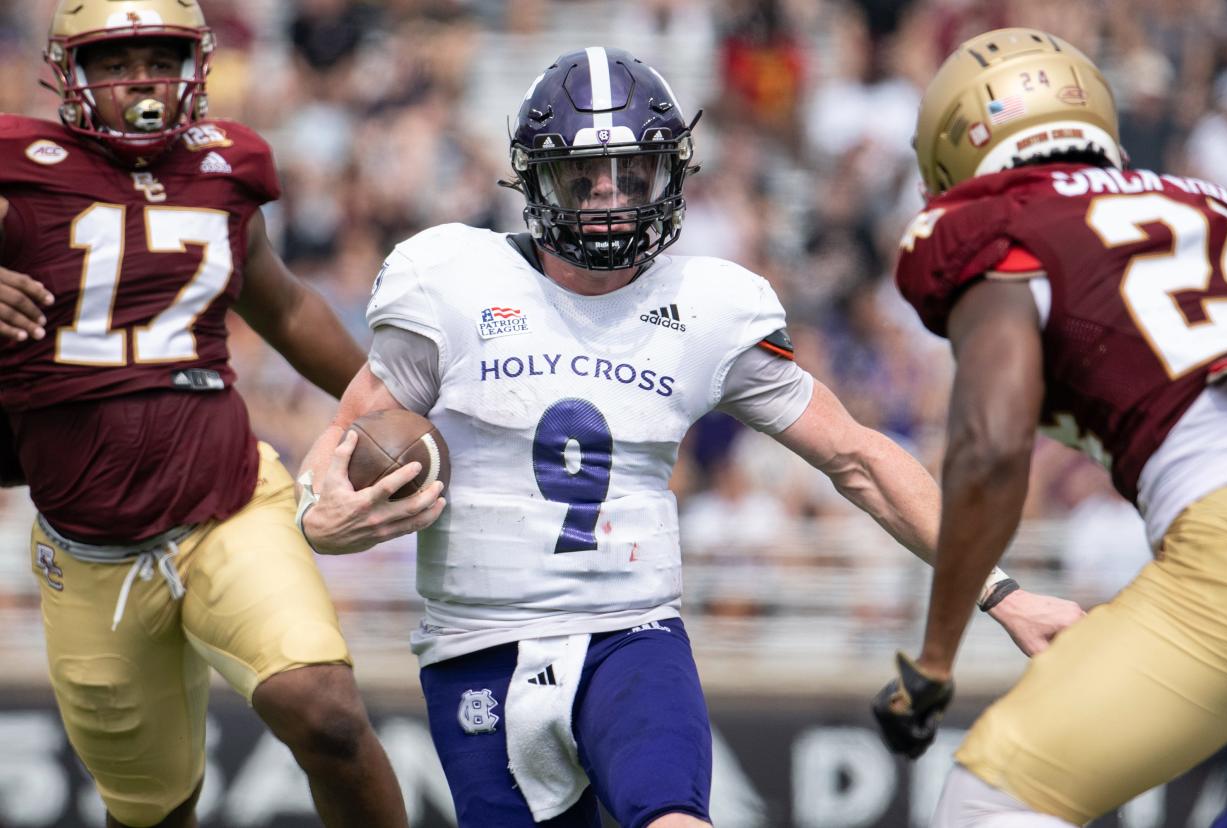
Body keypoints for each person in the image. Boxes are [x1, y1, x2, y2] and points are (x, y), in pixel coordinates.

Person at [297, 47, 1082, 828]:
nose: (608, 196)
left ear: (669, 174)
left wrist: (1002, 592)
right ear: (535, 178)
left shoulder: (709, 307)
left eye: (631, 173)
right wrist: (318, 516)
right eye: (583, 176)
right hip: (477, 645)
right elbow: (341, 442)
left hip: (631, 637)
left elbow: (859, 458)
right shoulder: (452, 279)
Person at [0, 2, 407, 826]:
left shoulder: (227, 168)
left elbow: (286, 309)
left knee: (325, 713)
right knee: (155, 810)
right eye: (115, 61)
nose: (141, 78)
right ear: (71, 75)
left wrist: (385, 401)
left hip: (226, 502)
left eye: (159, 55)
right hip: (90, 548)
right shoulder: (19, 167)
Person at [871, 26, 1227, 827]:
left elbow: (991, 448)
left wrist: (934, 661)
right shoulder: (1218, 202)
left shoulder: (996, 223)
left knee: (989, 800)